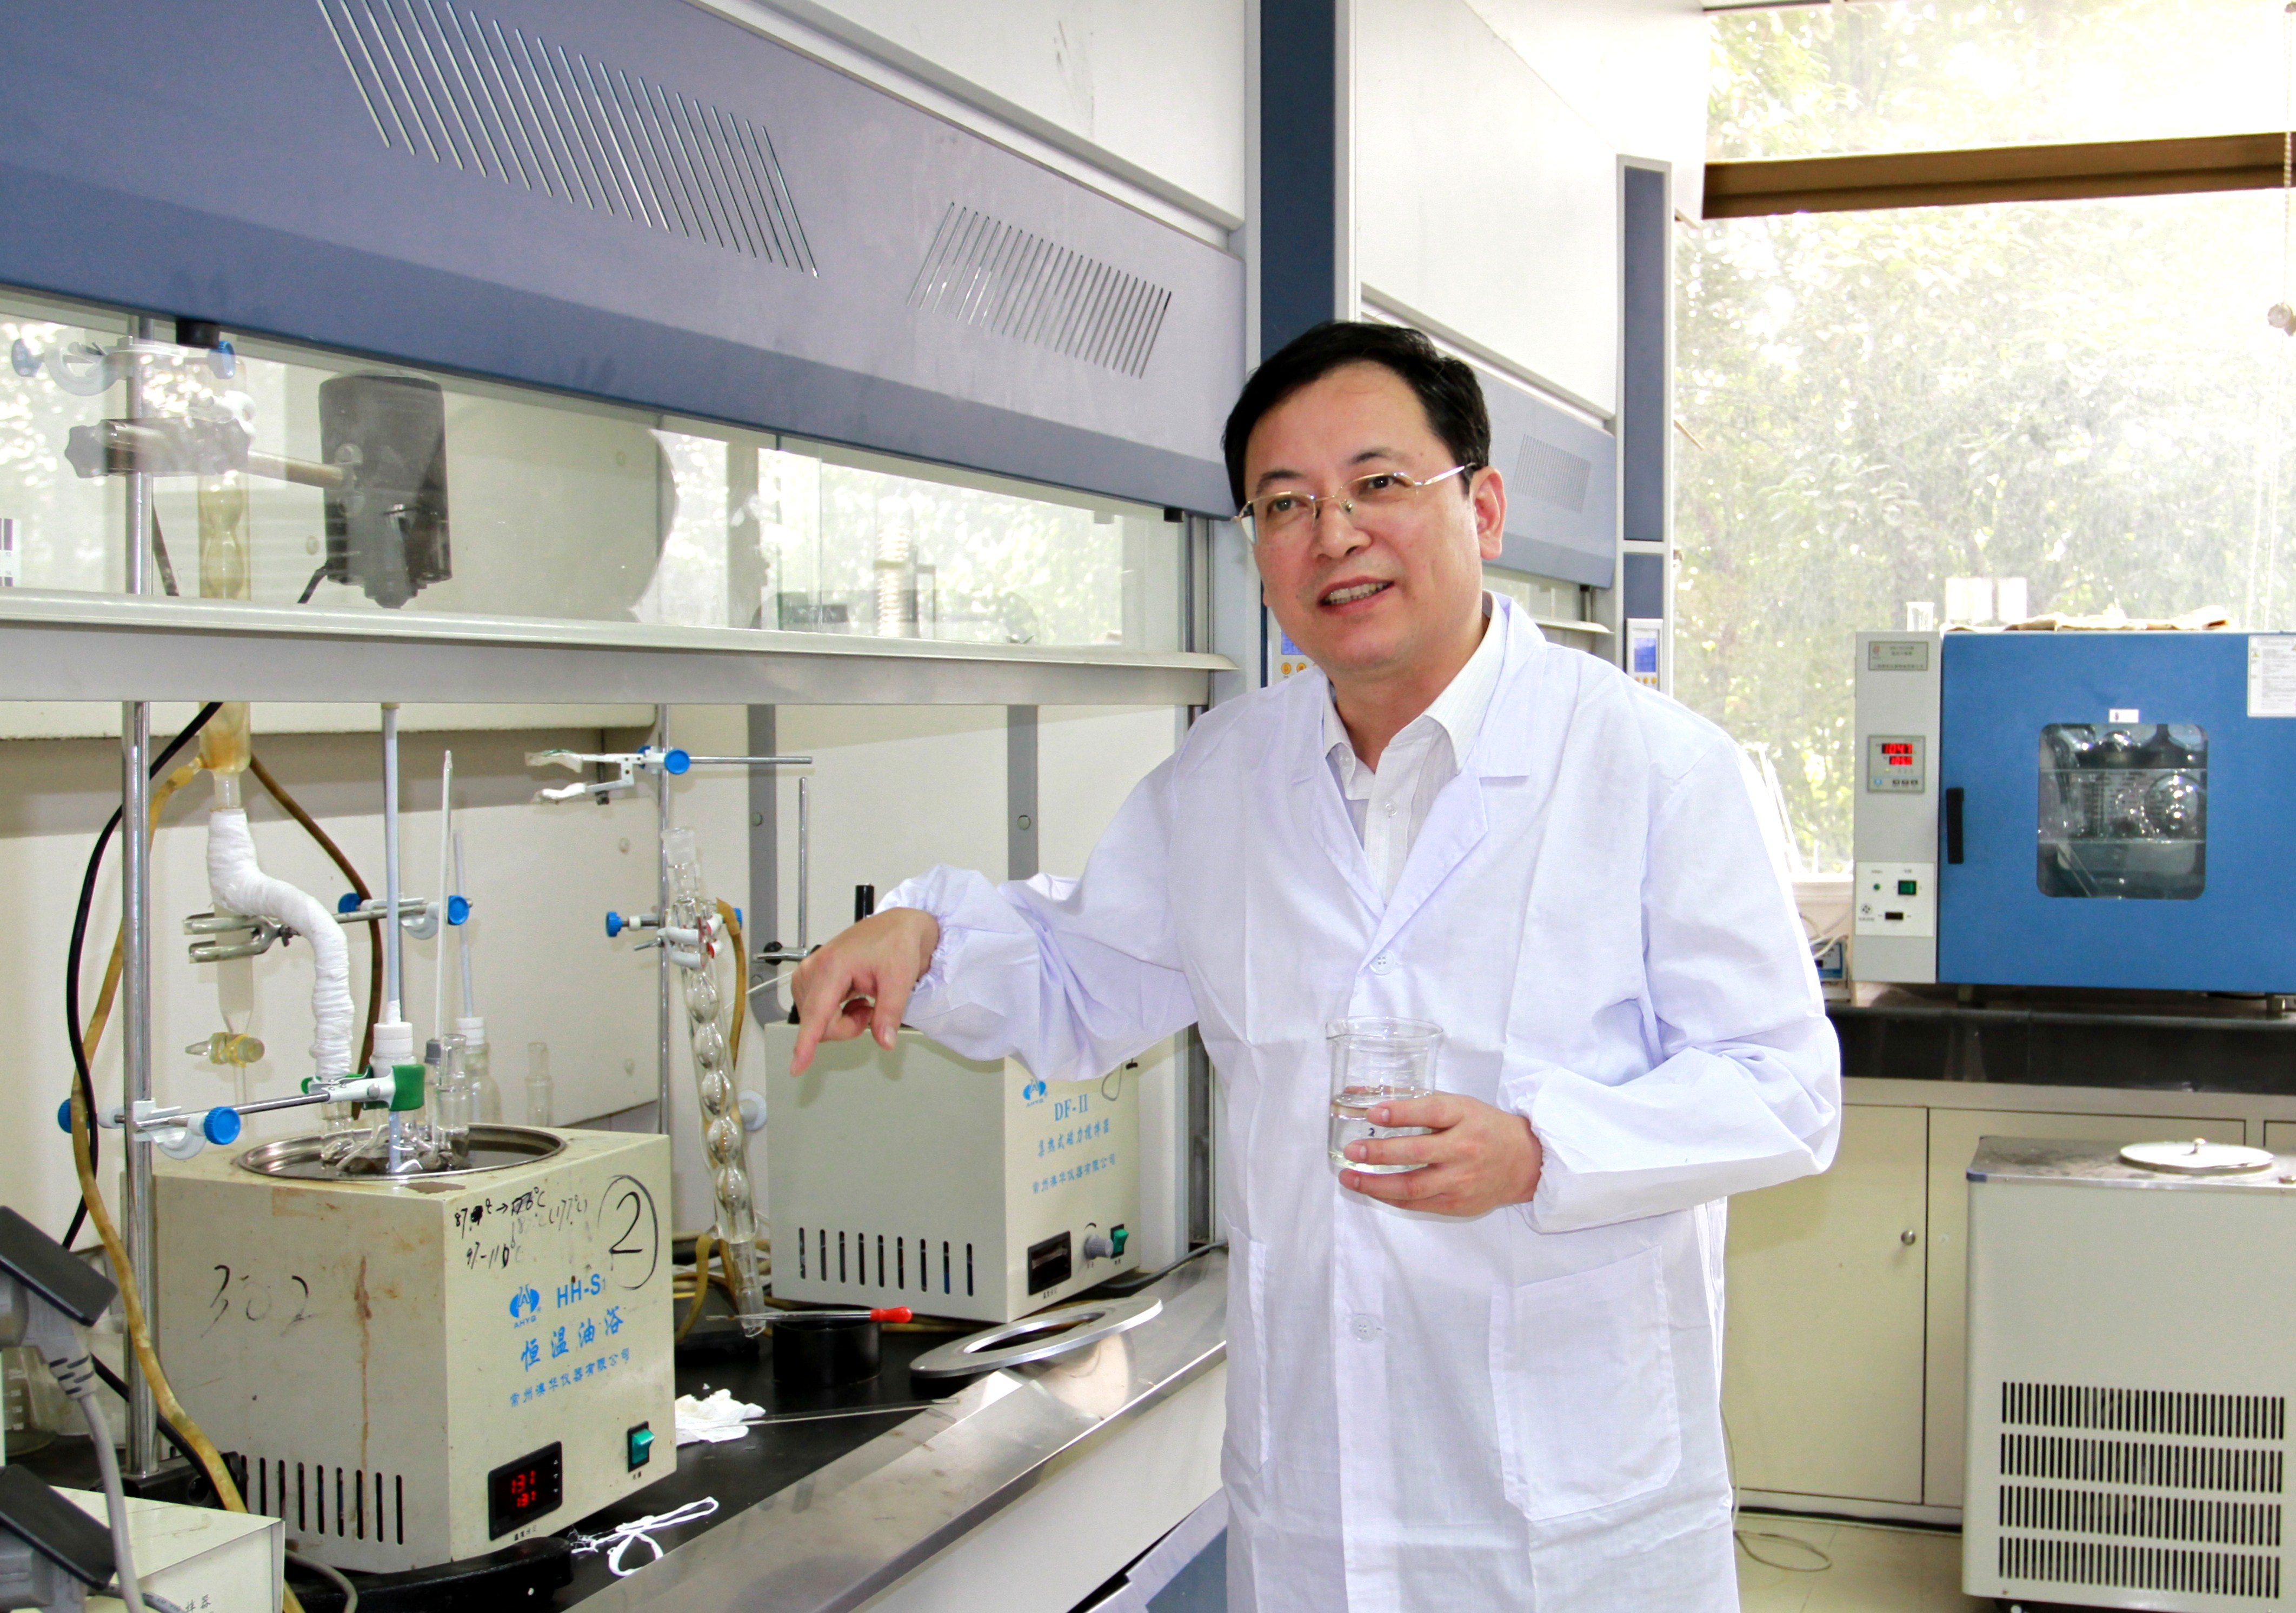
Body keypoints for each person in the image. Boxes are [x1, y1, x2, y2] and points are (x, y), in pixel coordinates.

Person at [789, 321, 1841, 1611]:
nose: (1333, 534)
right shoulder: (1225, 780)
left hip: (1574, 1524)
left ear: (1483, 507)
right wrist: (929, 936)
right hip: (1322, 1507)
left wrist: (1541, 1151)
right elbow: (1084, 975)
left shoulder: (1656, 768)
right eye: (1285, 505)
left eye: (1377, 483)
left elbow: (1784, 1086)